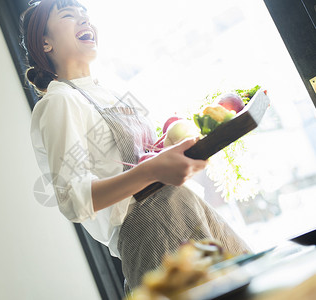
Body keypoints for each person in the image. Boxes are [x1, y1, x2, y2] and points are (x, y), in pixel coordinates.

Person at [23, 0, 251, 291]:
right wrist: (153, 170)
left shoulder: (109, 92)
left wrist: (177, 151)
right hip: (153, 234)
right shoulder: (59, 102)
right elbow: (73, 199)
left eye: (86, 15)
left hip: (187, 210)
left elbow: (143, 157)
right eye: (70, 16)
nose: (85, 21)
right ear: (45, 43)